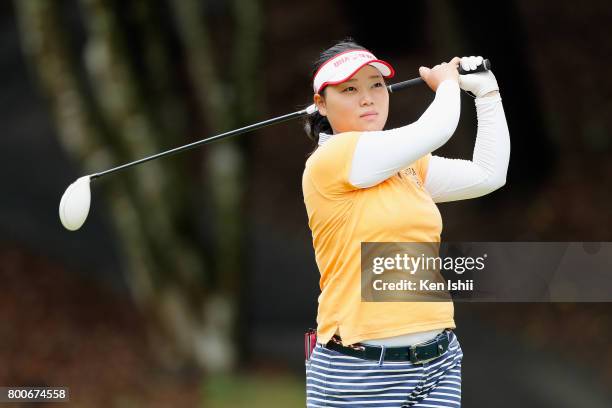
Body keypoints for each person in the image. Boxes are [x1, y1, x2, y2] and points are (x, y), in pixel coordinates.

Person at [301, 38, 510, 408]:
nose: (367, 98)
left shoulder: (408, 164)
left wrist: (487, 94)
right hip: (360, 371)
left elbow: (488, 174)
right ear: (321, 104)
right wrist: (446, 84)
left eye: (376, 85)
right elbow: (435, 130)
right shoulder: (331, 160)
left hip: (438, 362)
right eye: (349, 89)